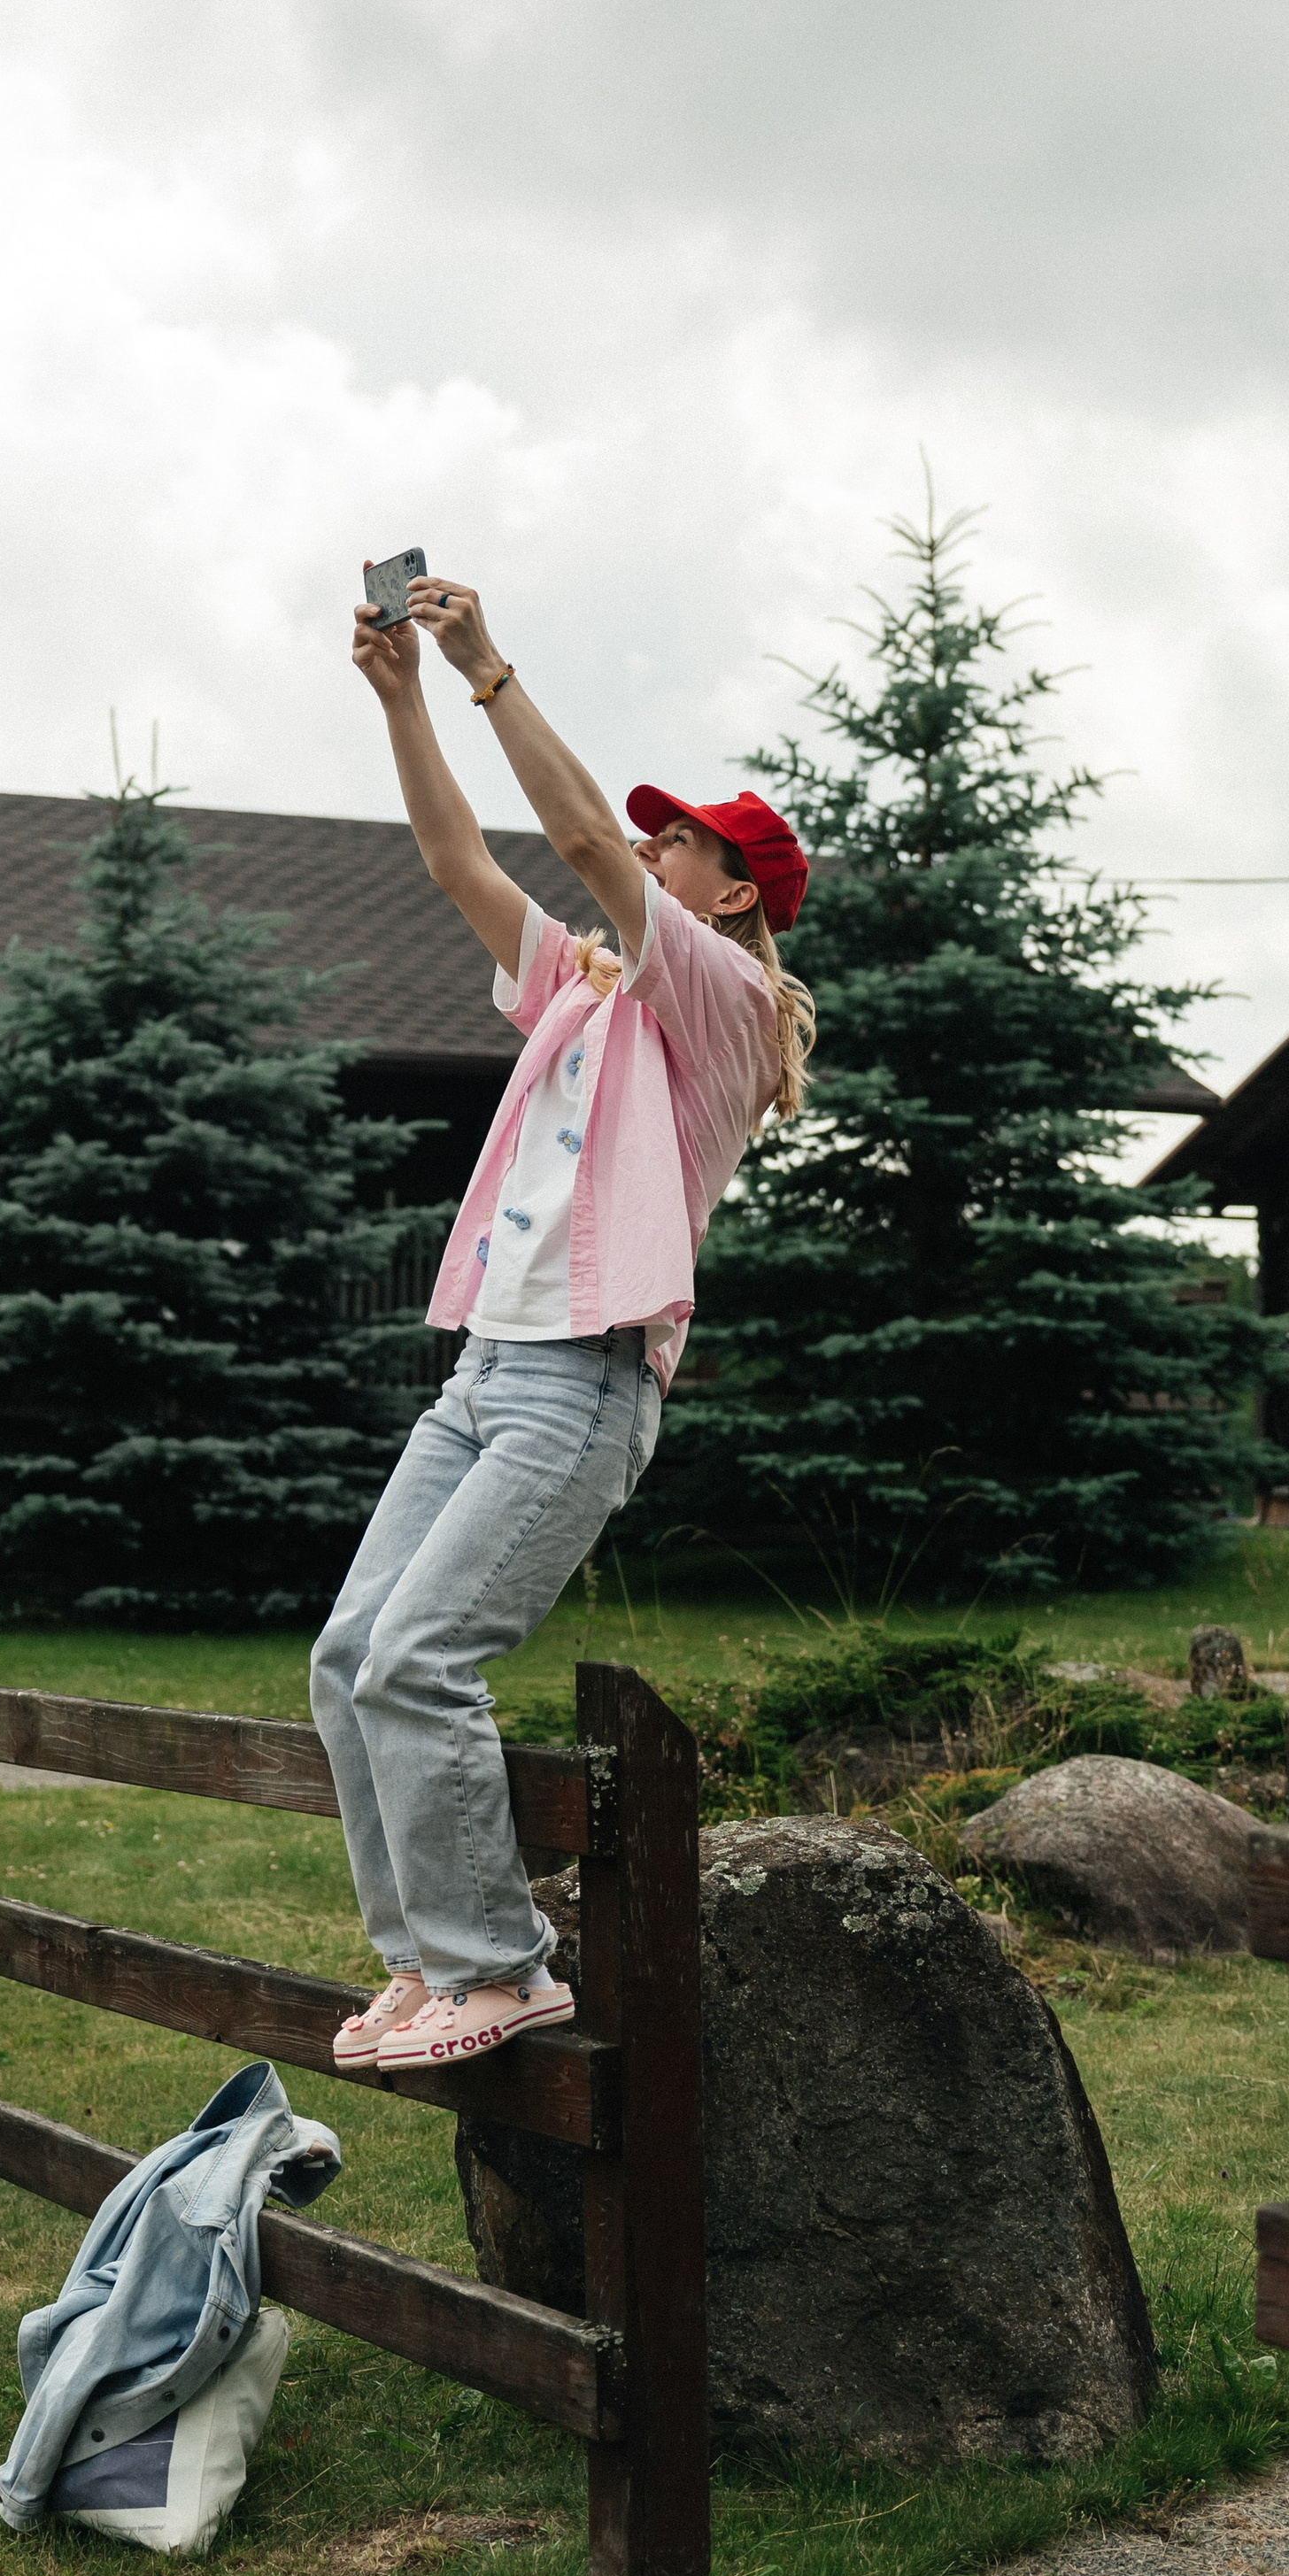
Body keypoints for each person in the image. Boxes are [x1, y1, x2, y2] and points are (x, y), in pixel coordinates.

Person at [309, 569, 815, 2073]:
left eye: (691, 845)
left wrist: (483, 667)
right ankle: (422, 1959)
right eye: (663, 834)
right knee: (347, 1654)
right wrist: (403, 702)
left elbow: (585, 840)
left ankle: (501, 1971)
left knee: (419, 1658)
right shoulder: (591, 998)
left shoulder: (718, 995)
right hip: (484, 1376)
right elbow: (460, 856)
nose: (656, 849)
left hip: (579, 1391)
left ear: (733, 896)